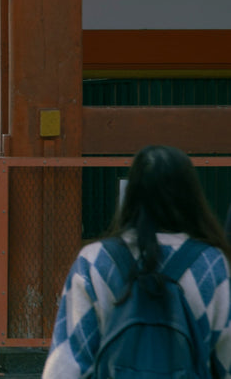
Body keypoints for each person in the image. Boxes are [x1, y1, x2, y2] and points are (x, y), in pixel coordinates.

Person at [44, 145, 231, 378]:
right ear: (191, 195)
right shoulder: (211, 263)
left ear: (131, 194)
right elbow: (225, 358)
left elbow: (67, 362)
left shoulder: (95, 260)